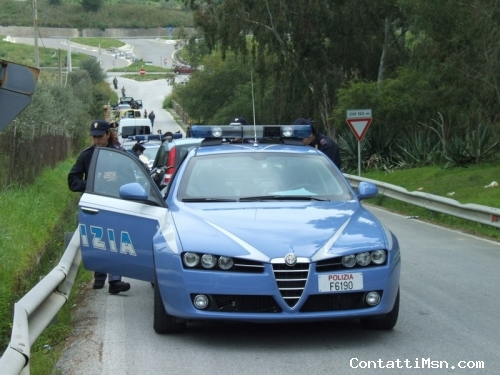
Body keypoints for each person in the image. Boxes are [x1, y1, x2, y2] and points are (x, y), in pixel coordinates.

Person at [67, 120, 131, 294]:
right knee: (98, 239)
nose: (96, 140)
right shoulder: (86, 155)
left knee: (115, 240)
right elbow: (73, 181)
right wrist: (92, 183)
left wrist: (116, 178)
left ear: (108, 134)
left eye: (100, 136)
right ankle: (99, 276)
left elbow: (131, 178)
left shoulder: (120, 154)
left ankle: (115, 280)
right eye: (94, 137)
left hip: (116, 203)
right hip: (94, 204)